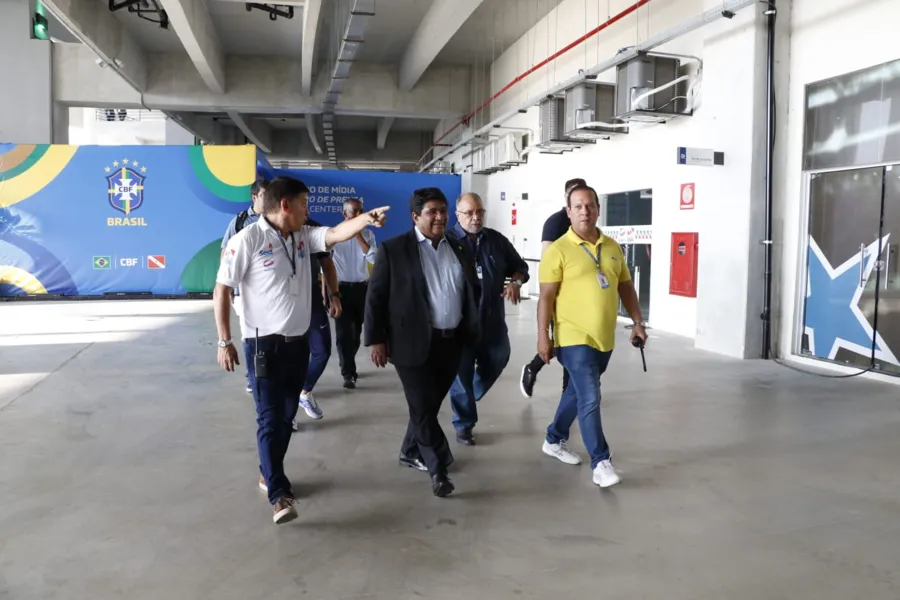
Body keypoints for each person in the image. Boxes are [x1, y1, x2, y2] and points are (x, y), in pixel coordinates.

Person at [214, 176, 389, 524]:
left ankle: (268, 470)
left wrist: (367, 219)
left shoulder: (303, 236)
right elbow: (221, 291)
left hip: (299, 344)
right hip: (263, 345)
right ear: (285, 206)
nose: (308, 211)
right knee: (269, 416)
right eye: (304, 205)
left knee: (285, 416)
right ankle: (279, 494)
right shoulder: (246, 239)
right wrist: (225, 341)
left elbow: (337, 234)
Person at [364, 187, 480, 498]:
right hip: (409, 343)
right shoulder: (394, 250)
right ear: (415, 217)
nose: (440, 216)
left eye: (443, 210)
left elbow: (469, 291)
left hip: (451, 342)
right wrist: (375, 339)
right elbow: (375, 297)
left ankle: (408, 450)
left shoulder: (458, 248)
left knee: (426, 406)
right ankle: (438, 468)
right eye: (432, 211)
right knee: (422, 408)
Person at [537, 184, 646, 489]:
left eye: (590, 206)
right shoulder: (557, 250)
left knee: (576, 392)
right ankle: (601, 462)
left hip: (603, 338)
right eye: (578, 206)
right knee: (590, 396)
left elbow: (626, 287)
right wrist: (543, 337)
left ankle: (554, 439)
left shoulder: (612, 247)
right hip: (572, 336)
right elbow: (546, 297)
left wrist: (638, 322)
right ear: (568, 211)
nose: (585, 211)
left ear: (598, 209)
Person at [447, 192, 528, 445]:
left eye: (479, 212)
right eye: (469, 213)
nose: (475, 217)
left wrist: (514, 282)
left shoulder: (496, 240)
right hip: (458, 324)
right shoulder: (445, 242)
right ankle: (464, 424)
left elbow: (520, 267)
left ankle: (469, 397)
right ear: (457, 215)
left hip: (491, 320)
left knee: (499, 358)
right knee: (460, 375)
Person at [520, 177, 587, 398]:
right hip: (560, 298)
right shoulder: (556, 223)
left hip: (582, 298)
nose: (582, 207)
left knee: (574, 344)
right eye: (575, 199)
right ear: (567, 198)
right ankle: (539, 372)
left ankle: (567, 391)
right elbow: (547, 262)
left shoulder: (586, 224)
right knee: (565, 344)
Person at [221, 178, 268, 394]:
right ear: (255, 196)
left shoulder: (276, 219)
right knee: (250, 335)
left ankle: (269, 374)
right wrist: (227, 287)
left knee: (270, 334)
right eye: (266, 195)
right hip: (244, 292)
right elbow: (226, 253)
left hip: (270, 290)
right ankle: (252, 377)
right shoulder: (240, 221)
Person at [294, 219, 341, 424]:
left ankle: (303, 392)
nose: (306, 209)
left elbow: (327, 265)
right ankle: (286, 412)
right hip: (281, 304)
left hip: (311, 300)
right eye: (301, 203)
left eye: (306, 203)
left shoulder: (313, 229)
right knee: (287, 358)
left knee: (321, 351)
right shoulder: (264, 232)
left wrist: (335, 295)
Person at [329, 198, 377, 389]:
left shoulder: (368, 234)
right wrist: (329, 293)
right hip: (340, 289)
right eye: (353, 211)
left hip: (362, 288)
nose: (357, 215)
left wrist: (358, 235)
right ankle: (348, 373)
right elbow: (326, 265)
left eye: (360, 211)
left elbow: (373, 256)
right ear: (345, 214)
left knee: (356, 332)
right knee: (343, 333)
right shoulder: (334, 234)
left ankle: (348, 362)